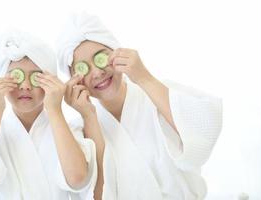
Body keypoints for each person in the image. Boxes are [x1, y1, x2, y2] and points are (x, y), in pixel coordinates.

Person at [56, 13, 223, 200]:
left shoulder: (158, 95)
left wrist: (144, 77)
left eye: (100, 58)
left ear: (117, 52)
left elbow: (203, 135)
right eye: (82, 68)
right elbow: (98, 194)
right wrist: (89, 117)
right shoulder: (81, 131)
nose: (97, 72)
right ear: (74, 81)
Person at [0, 30, 97, 200]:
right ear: (2, 80)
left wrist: (55, 110)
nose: (25, 85)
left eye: (36, 77)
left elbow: (78, 180)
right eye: (16, 77)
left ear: (50, 82)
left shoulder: (68, 131)